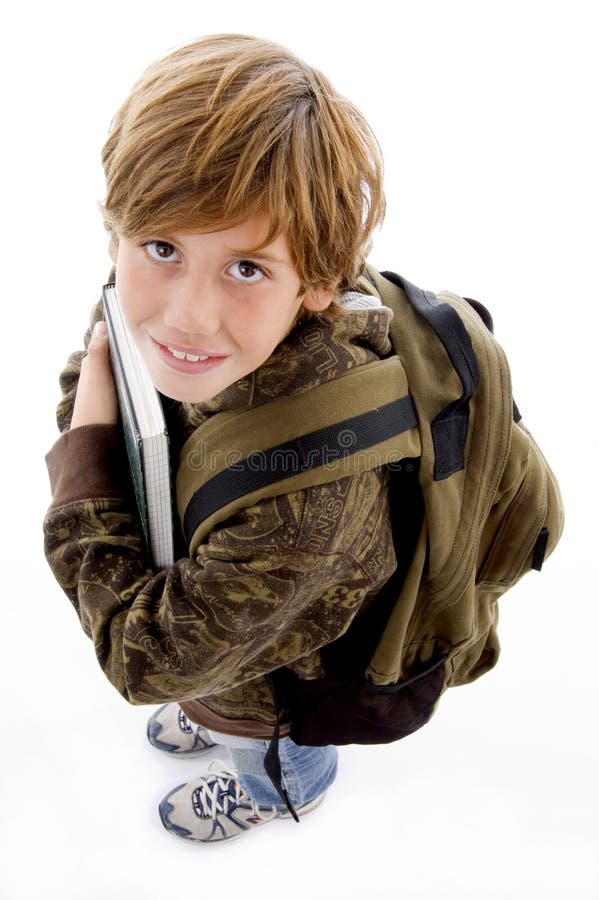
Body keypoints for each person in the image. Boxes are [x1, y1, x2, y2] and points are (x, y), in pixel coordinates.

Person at [43, 33, 397, 844]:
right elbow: (120, 366)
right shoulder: (192, 330)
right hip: (231, 625)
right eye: (161, 248)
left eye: (245, 268)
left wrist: (84, 458)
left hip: (281, 687)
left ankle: (279, 794)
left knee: (264, 742)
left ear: (317, 283)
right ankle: (222, 709)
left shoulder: (303, 510)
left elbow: (144, 661)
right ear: (118, 234)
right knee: (215, 674)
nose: (185, 317)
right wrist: (97, 391)